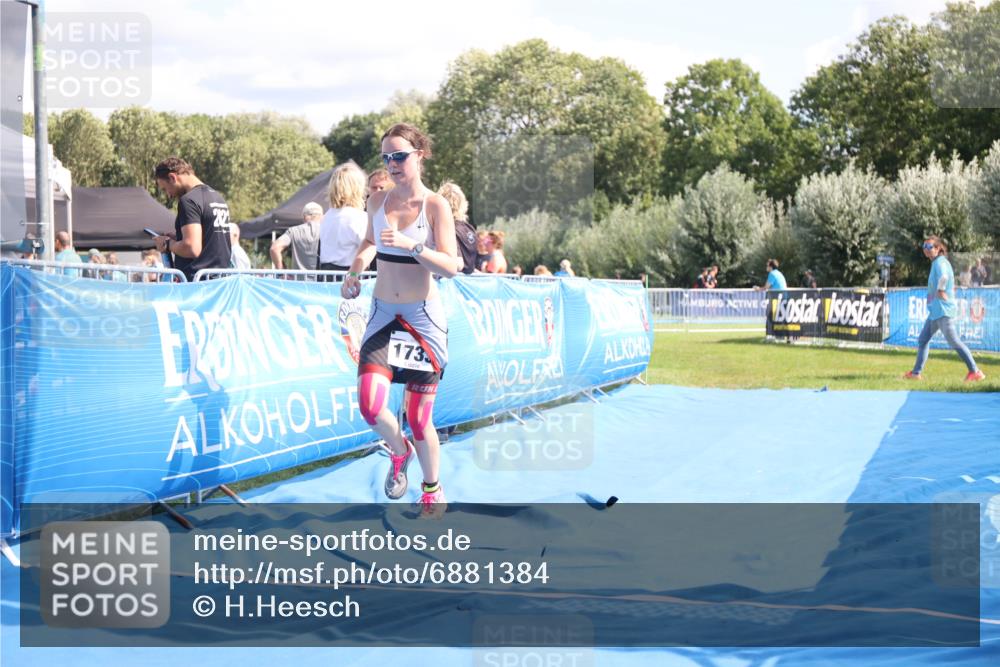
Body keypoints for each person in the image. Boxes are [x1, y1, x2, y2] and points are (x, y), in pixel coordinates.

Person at [340, 123, 460, 517]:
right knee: (371, 406)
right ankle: (399, 450)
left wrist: (413, 245)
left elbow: (452, 266)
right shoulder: (377, 203)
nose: (391, 164)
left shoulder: (435, 206)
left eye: (399, 156)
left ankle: (431, 488)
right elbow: (368, 245)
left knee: (419, 416)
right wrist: (355, 273)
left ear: (419, 155)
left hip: (422, 319)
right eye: (386, 158)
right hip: (381, 313)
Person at [905, 236, 985, 382]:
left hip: (942, 311)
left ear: (937, 249)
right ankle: (916, 374)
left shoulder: (940, 262)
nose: (926, 249)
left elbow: (944, 277)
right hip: (935, 312)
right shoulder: (936, 262)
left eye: (930, 247)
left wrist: (941, 290)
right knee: (923, 340)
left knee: (954, 342)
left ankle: (975, 371)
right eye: (924, 246)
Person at [152, 157, 232, 282]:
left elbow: (192, 248)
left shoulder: (188, 200)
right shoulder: (217, 197)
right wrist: (178, 237)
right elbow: (210, 239)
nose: (169, 194)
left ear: (173, 177)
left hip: (197, 285)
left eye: (165, 188)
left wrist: (167, 244)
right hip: (220, 281)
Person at [318, 162, 368, 278]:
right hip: (351, 275)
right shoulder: (359, 217)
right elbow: (367, 249)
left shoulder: (326, 217)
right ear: (358, 188)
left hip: (325, 275)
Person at [437, 181, 475, 275]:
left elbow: (458, 263)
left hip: (452, 284)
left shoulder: (448, 229)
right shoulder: (470, 229)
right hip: (469, 285)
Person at [271, 202, 323, 270]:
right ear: (322, 216)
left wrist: (281, 271)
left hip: (298, 279)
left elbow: (274, 248)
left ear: (304, 217)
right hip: (323, 279)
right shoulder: (327, 231)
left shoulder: (293, 231)